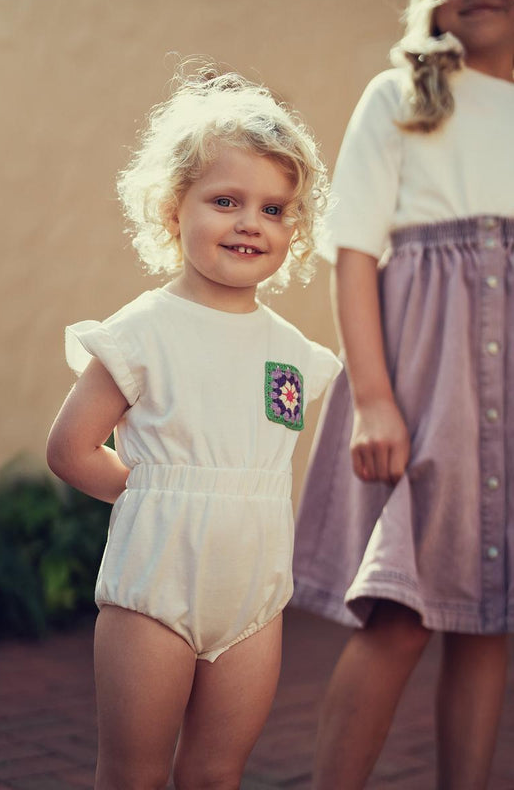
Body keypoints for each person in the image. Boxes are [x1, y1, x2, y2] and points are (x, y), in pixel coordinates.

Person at [46, 65, 340, 790]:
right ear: (174, 209)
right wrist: (158, 495)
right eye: (226, 200)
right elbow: (72, 449)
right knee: (134, 773)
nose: (251, 222)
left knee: (215, 771)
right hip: (155, 589)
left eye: (275, 209)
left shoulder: (290, 354)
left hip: (253, 600)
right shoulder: (145, 329)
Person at [292, 0, 514, 788]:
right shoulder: (400, 99)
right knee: (403, 613)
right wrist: (375, 398)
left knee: (488, 618)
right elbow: (353, 254)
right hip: (426, 385)